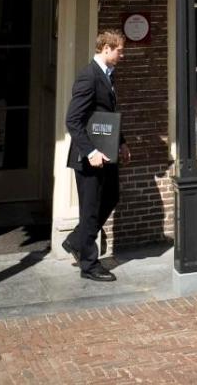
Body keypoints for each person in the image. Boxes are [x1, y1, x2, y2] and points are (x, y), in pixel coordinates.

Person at [64, 29, 132, 282]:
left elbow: (107, 115)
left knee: (111, 196)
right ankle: (89, 264)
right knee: (90, 209)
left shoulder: (108, 75)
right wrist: (90, 151)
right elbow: (73, 120)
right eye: (119, 51)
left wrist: (121, 143)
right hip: (89, 157)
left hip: (107, 152)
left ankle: (76, 240)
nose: (122, 55)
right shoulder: (88, 76)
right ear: (106, 49)